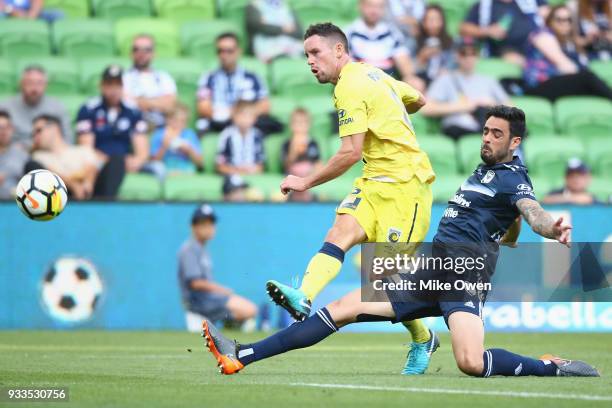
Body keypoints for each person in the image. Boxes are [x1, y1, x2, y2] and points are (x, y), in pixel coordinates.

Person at [202, 106, 600, 380]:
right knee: (342, 308)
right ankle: (242, 354)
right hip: (432, 268)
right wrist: (507, 229)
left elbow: (531, 211)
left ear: (515, 142)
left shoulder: (516, 179)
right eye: (485, 131)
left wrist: (550, 228)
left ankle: (550, 367)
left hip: (462, 275)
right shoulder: (487, 171)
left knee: (471, 363)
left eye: (497, 134)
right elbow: (511, 223)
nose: (487, 138)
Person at [266, 22, 438, 375]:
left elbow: (348, 153)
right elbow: (418, 99)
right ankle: (305, 295)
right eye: (306, 56)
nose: (311, 62)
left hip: (407, 187)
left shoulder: (350, 86)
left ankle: (424, 338)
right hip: (375, 180)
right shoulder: (373, 74)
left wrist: (305, 181)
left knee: (385, 284)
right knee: (339, 233)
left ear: (339, 50)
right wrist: (391, 119)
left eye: (316, 53)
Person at [178, 204, 258, 331]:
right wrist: (221, 289)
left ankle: (229, 323)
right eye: (204, 224)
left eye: (211, 224)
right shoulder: (189, 249)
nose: (209, 228)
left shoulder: (201, 249)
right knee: (250, 309)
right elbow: (195, 283)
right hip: (199, 301)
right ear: (194, 227)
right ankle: (227, 323)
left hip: (208, 299)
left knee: (248, 311)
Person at [76, 65, 149, 199]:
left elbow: (142, 151)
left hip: (126, 162)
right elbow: (86, 148)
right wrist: (113, 161)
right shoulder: (88, 109)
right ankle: (106, 204)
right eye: (109, 84)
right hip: (98, 161)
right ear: (102, 86)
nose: (114, 90)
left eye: (118, 85)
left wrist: (135, 161)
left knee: (158, 169)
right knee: (114, 163)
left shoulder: (133, 111)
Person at [421, 38, 510, 140]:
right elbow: (426, 108)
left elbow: (511, 109)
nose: (468, 58)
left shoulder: (489, 80)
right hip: (457, 128)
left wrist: (491, 105)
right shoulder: (446, 79)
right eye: (463, 53)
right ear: (456, 56)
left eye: (473, 53)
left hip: (486, 128)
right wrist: (463, 106)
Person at [523, 4, 612, 101]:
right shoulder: (543, 35)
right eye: (559, 20)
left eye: (568, 20)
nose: (565, 23)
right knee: (588, 78)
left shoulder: (567, 42)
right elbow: (566, 66)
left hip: (554, 83)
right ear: (550, 21)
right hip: (538, 86)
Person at [196, 32, 271, 135]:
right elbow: (203, 108)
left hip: (247, 124)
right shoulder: (208, 78)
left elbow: (265, 106)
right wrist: (232, 113)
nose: (224, 55)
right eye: (220, 51)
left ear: (238, 52)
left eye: (229, 51)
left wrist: (242, 114)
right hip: (219, 124)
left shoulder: (253, 77)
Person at [345, 0, 424, 90]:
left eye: (379, 7)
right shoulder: (350, 33)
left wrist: (410, 77)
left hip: (387, 81)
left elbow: (402, 57)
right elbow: (347, 65)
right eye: (370, 6)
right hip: (362, 80)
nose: (374, 11)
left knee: (416, 84)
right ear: (360, 6)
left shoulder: (391, 32)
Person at [460, 0, 549, 65]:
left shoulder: (532, 2)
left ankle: (561, 67)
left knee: (543, 38)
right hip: (504, 49)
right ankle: (536, 68)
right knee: (512, 57)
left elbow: (551, 15)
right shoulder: (483, 6)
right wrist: (488, 31)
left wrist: (546, 16)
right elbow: (464, 28)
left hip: (536, 44)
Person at [30, 114, 97, 201]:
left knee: (115, 161)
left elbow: (91, 168)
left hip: (89, 193)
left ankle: (107, 204)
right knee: (32, 166)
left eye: (38, 131)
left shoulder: (82, 150)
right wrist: (73, 185)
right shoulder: (38, 156)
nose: (35, 137)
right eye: (33, 134)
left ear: (54, 128)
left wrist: (88, 183)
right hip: (59, 196)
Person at [0, 65, 72, 146]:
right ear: (21, 84)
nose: (34, 88)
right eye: (30, 83)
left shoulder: (57, 107)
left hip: (48, 153)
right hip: (14, 153)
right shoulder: (4, 107)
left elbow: (67, 139)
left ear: (46, 85)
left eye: (39, 83)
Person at [123, 34, 177, 129]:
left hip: (162, 127)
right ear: (131, 53)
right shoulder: (123, 77)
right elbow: (125, 104)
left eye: (147, 50)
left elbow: (170, 105)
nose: (141, 53)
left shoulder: (164, 77)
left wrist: (141, 101)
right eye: (136, 49)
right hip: (132, 127)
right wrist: (157, 102)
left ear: (154, 53)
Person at [215, 100, 265, 177]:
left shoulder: (257, 136)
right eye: (242, 115)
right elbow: (220, 166)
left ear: (255, 118)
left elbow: (260, 166)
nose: (245, 119)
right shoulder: (226, 135)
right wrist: (235, 170)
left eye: (249, 116)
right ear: (234, 116)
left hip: (252, 175)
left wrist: (250, 170)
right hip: (231, 175)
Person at [150, 104, 202, 175]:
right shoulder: (159, 134)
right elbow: (153, 161)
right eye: (175, 121)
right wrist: (164, 146)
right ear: (167, 119)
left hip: (185, 169)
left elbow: (199, 163)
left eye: (183, 121)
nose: (179, 124)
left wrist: (189, 150)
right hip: (165, 168)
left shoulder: (189, 134)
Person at [414, 4, 455, 86]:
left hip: (444, 82)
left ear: (442, 21)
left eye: (437, 19)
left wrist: (446, 70)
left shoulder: (451, 42)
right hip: (422, 81)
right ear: (423, 22)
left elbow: (454, 64)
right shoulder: (414, 42)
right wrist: (421, 58)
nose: (434, 24)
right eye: (430, 20)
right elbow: (409, 70)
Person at [281, 108, 321, 174]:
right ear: (291, 125)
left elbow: (317, 161)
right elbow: (286, 165)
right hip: (293, 172)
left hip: (309, 171)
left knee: (319, 167)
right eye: (297, 122)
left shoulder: (312, 142)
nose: (301, 125)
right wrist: (294, 147)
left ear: (309, 125)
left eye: (304, 122)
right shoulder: (286, 143)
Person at [0, 110, 28, 200]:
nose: (3, 131)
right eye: (0, 127)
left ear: (12, 129)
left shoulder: (23, 155)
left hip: (17, 205)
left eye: (6, 127)